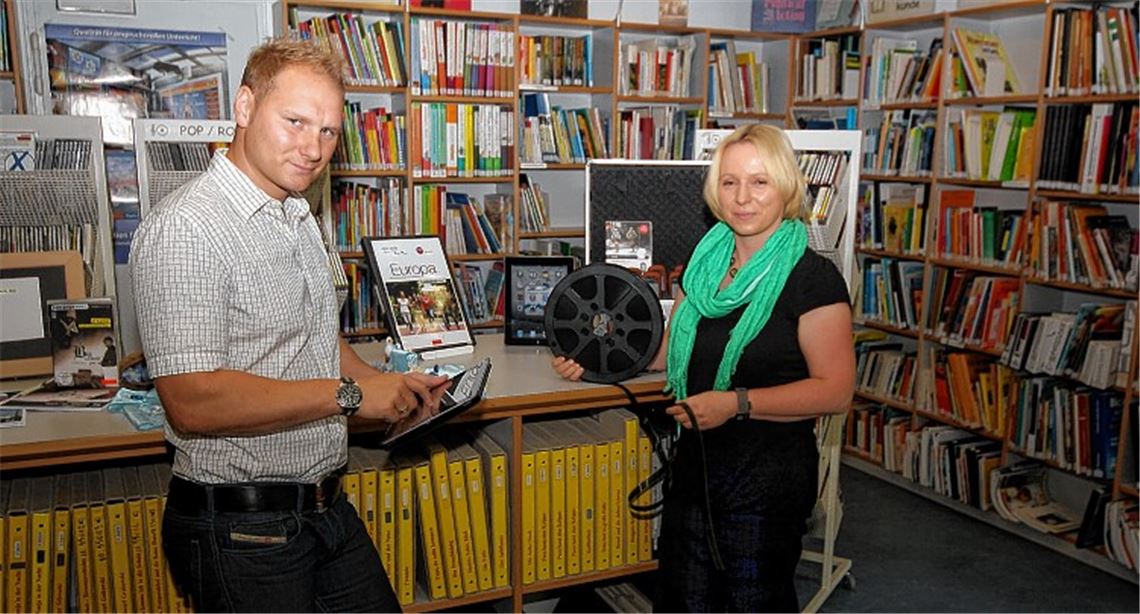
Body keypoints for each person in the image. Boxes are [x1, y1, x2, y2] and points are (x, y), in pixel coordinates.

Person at [131, 37, 447, 613]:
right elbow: (192, 402)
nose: (313, 147)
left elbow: (313, 339)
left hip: (323, 507)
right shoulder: (185, 228)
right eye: (296, 121)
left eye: (328, 131)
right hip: (241, 527)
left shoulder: (297, 212)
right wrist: (350, 396)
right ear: (246, 108)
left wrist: (386, 387)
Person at [552, 124, 855, 612]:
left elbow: (835, 391)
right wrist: (593, 364)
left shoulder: (812, 279)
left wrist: (736, 403)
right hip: (696, 471)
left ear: (786, 186)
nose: (743, 197)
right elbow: (670, 357)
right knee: (682, 602)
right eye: (730, 182)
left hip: (767, 482)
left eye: (760, 182)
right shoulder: (705, 265)